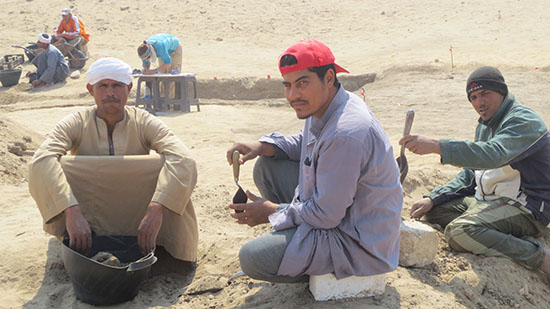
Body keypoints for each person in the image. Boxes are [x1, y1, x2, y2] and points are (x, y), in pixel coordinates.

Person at [226, 40, 403, 283]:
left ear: (329, 78)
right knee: (267, 166)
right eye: (287, 86)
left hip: (356, 241)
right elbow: (307, 143)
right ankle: (297, 240)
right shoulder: (327, 103)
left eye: (302, 84)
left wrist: (272, 212)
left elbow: (327, 215)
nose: (292, 95)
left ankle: (306, 261)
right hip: (338, 214)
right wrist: (261, 146)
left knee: (252, 258)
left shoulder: (346, 133)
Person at [28, 57, 198, 273]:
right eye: (103, 86)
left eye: (117, 85)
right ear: (91, 89)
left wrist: (157, 208)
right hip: (87, 212)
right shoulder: (76, 122)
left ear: (129, 88)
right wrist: (71, 211)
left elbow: (184, 158)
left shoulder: (143, 120)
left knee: (168, 166)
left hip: (137, 211)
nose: (110, 92)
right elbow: (42, 159)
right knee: (59, 165)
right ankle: (76, 236)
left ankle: (169, 249)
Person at [399, 66, 550, 276]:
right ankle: (490, 228)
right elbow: (473, 172)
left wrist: (437, 146)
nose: (480, 103)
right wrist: (433, 198)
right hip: (489, 200)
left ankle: (540, 258)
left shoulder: (523, 121)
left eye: (485, 94)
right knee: (435, 211)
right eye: (474, 97)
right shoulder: (485, 125)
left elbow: (492, 154)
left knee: (459, 231)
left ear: (502, 92)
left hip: (526, 207)